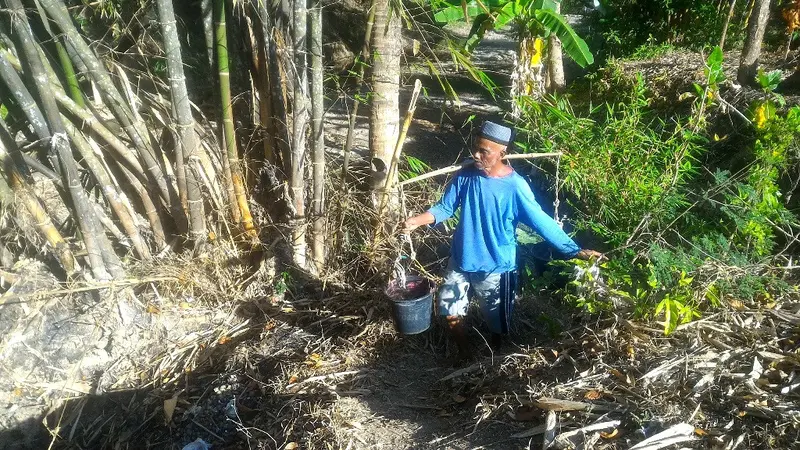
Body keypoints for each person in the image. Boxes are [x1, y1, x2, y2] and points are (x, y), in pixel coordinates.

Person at [402, 120, 602, 360]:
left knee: (497, 322)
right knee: (449, 312)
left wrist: (574, 250)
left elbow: (542, 222)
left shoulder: (516, 187)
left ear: (501, 153)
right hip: (461, 259)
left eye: (483, 151)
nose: (476, 155)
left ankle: (495, 355)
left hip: (496, 267)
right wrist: (417, 220)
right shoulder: (466, 175)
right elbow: (445, 207)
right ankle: (465, 354)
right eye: (475, 148)